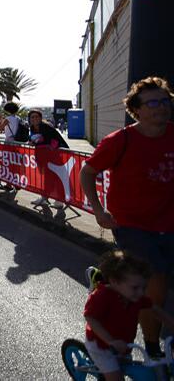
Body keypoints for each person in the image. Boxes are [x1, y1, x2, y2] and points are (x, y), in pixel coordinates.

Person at [80, 76, 174, 358]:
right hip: (132, 225)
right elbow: (87, 172)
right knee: (154, 284)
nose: (161, 107)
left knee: (162, 282)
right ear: (137, 109)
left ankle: (108, 280)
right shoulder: (119, 141)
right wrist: (98, 210)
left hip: (169, 223)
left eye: (165, 101)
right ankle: (152, 345)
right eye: (153, 102)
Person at [83, 249, 174, 379]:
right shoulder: (101, 296)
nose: (141, 292)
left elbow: (156, 310)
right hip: (101, 346)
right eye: (135, 287)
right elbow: (90, 318)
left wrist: (172, 324)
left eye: (144, 287)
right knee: (116, 377)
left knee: (125, 366)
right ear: (114, 281)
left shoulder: (135, 297)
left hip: (124, 343)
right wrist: (111, 341)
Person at [28, 109, 70, 209]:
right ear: (29, 119)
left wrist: (38, 143)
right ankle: (44, 197)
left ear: (40, 118)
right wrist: (32, 142)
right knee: (46, 178)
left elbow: (53, 141)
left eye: (37, 117)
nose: (34, 119)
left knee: (55, 178)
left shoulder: (46, 127)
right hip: (41, 156)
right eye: (32, 117)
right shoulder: (32, 128)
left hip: (53, 156)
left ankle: (59, 200)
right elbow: (33, 139)